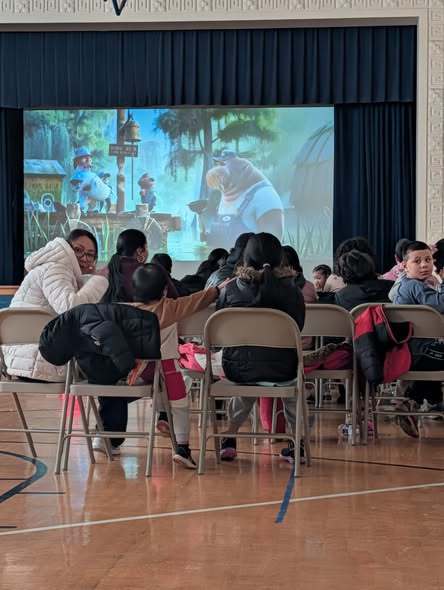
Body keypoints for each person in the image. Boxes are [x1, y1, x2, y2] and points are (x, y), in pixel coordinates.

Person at [216, 233, 306, 464]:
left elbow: (220, 329)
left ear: (245, 259)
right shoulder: (293, 291)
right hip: (283, 369)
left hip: (238, 369)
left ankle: (229, 437)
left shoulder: (230, 290)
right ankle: (298, 444)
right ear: (281, 259)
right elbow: (299, 327)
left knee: (248, 378)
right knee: (292, 383)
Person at [124, 264, 223, 467]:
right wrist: (217, 290)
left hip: (135, 371)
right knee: (180, 404)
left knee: (156, 391)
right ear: (164, 291)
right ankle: (182, 448)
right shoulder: (169, 307)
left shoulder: (125, 311)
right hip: (168, 369)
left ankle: (158, 415)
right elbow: (196, 300)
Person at [3, 230, 108, 382]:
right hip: (44, 361)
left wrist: (87, 280)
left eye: (90, 254)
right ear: (67, 248)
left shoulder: (55, 268)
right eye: (78, 250)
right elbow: (72, 308)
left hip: (24, 361)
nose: (84, 258)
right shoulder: (56, 268)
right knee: (111, 367)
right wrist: (99, 280)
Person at [389, 240, 444, 436]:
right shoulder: (416, 287)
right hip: (421, 351)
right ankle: (410, 400)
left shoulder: (400, 286)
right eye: (417, 261)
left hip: (408, 351)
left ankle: (411, 401)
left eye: (428, 259)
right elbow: (440, 305)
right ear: (404, 265)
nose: (424, 265)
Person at [205, 153, 284, 249]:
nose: (221, 169)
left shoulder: (265, 195)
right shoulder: (228, 190)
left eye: (226, 164)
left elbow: (272, 245)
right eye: (220, 164)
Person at [101, 229, 149, 303]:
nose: (147, 251)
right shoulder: (147, 273)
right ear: (139, 251)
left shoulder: (103, 272)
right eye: (146, 247)